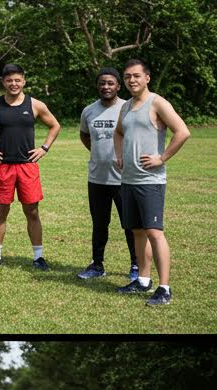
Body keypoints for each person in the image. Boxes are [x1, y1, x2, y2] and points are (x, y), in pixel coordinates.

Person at [113, 57, 192, 306]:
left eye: (136, 76)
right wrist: (119, 155)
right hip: (128, 180)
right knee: (137, 231)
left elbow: (182, 131)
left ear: (147, 77)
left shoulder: (157, 102)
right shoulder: (125, 107)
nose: (131, 80)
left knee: (154, 232)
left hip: (151, 181)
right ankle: (143, 281)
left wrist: (162, 157)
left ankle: (164, 288)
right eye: (127, 77)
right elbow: (118, 132)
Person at [0, 64, 61, 271]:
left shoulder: (35, 104)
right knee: (1, 212)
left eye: (17, 80)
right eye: (9, 80)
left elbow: (55, 125)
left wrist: (44, 148)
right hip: (3, 167)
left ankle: (38, 257)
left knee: (32, 212)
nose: (14, 84)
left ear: (24, 81)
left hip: (27, 166)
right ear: (4, 82)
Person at [77, 69, 144, 281]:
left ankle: (136, 265)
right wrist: (100, 154)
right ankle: (97, 265)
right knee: (99, 224)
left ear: (118, 86)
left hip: (124, 179)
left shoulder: (128, 108)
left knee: (130, 224)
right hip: (97, 178)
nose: (106, 87)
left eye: (110, 83)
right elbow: (85, 135)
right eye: (102, 83)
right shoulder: (89, 111)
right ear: (98, 86)